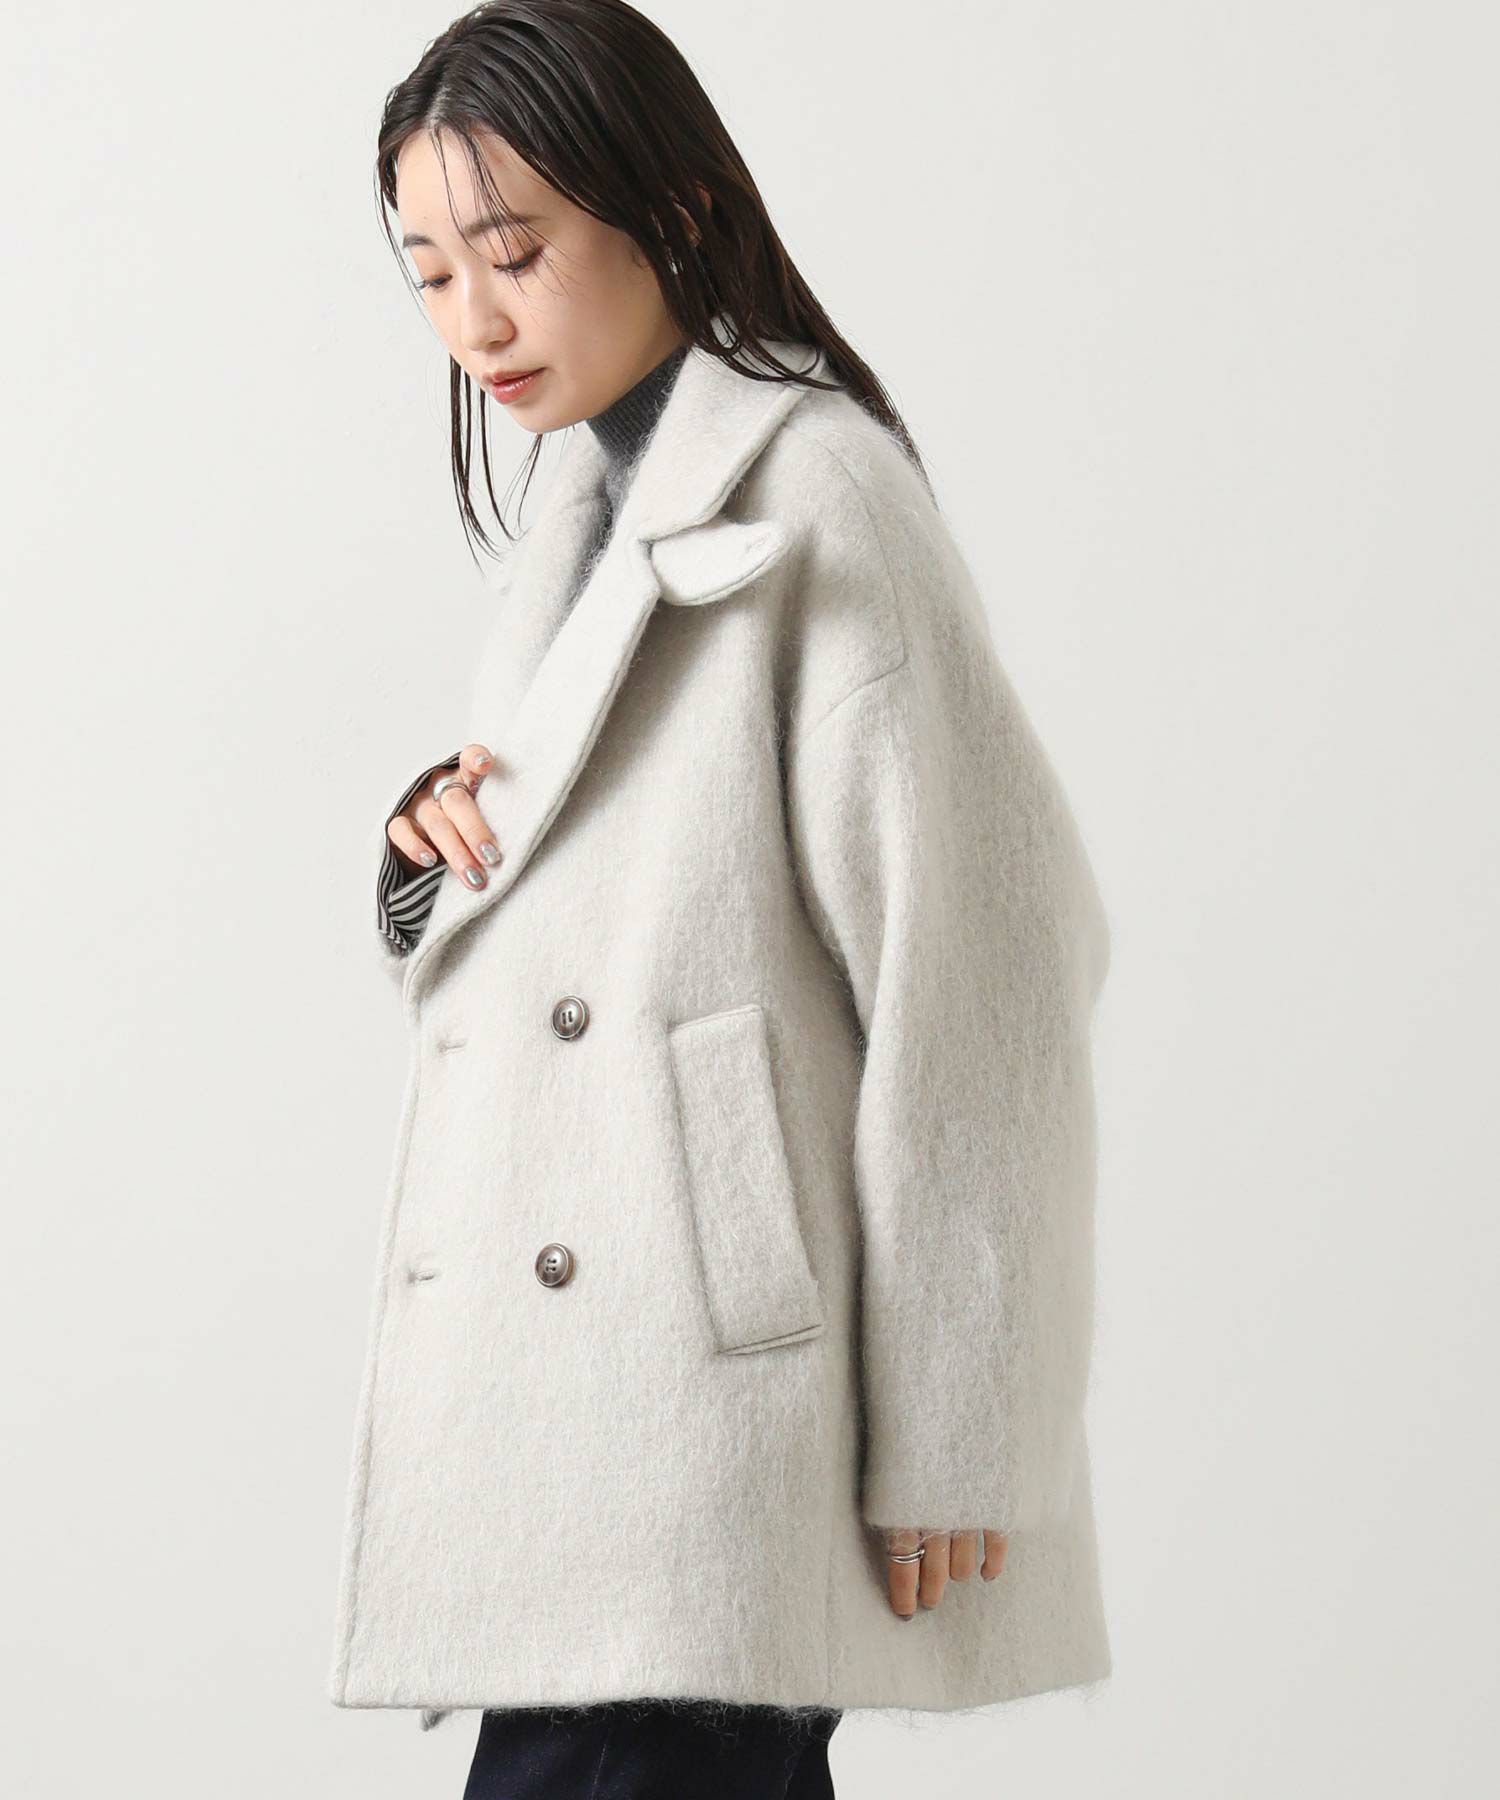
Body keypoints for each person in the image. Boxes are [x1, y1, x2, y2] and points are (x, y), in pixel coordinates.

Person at [327, 4, 1113, 1794]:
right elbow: (593, 925)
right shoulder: (582, 505)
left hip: (702, 1395)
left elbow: (989, 958)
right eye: (430, 273)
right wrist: (427, 865)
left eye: (514, 252)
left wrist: (962, 1424)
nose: (472, 322)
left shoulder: (819, 492)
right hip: (595, 1397)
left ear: (673, 215)